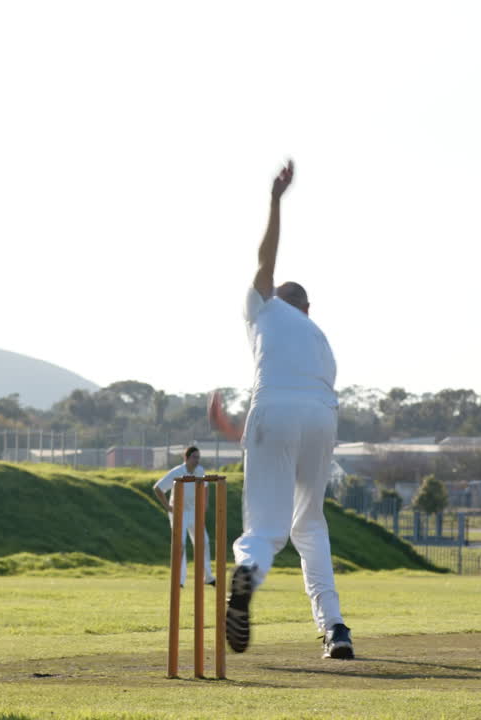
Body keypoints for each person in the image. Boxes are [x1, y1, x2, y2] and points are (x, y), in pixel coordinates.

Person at [225, 160, 353, 661]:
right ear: (310, 308)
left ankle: (246, 578)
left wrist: (275, 200)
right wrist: (241, 429)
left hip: (277, 410)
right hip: (322, 417)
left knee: (265, 530)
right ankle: (336, 628)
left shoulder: (264, 306)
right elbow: (299, 409)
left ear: (279, 299)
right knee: (310, 525)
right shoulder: (320, 339)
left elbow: (265, 259)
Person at [153, 446, 216, 587]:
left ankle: (208, 577)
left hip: (194, 512)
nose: (197, 460)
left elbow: (205, 486)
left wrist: (205, 503)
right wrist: (167, 507)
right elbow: (158, 488)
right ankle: (180, 580)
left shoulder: (200, 471)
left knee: (204, 542)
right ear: (186, 458)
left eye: (198, 457)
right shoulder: (177, 472)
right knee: (180, 545)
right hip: (178, 512)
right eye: (194, 457)